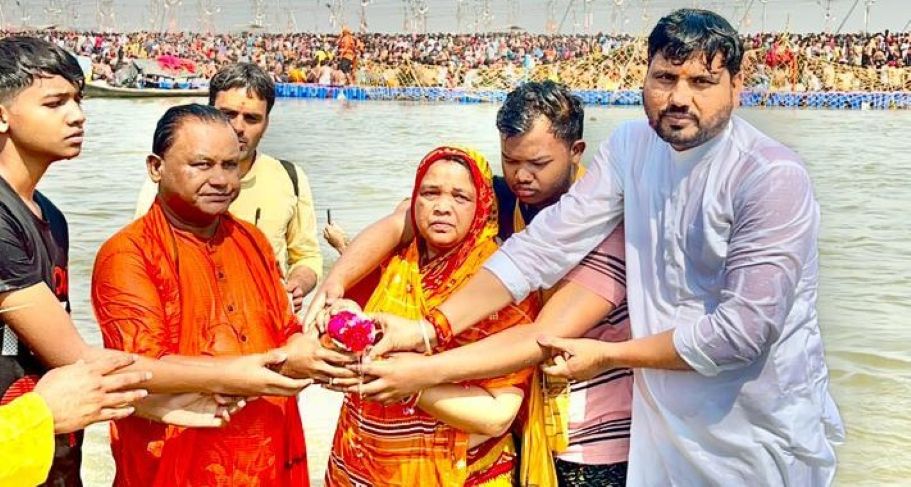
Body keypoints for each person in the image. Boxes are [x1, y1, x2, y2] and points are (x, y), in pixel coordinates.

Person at [348, 9, 845, 486]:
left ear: (737, 86)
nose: (678, 98)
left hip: (753, 431)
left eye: (701, 82)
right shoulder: (633, 148)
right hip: (660, 427)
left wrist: (610, 356)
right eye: (665, 78)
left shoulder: (769, 176)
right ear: (645, 78)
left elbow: (742, 333)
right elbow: (540, 247)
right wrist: (427, 328)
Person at [306, 81, 633, 486]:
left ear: (576, 152)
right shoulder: (501, 199)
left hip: (591, 430)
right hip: (519, 419)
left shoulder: (608, 221)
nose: (521, 176)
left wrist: (420, 370)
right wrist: (334, 283)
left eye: (537, 163)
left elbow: (543, 334)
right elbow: (402, 220)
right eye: (510, 160)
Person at [0, 36, 271, 487]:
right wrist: (237, 373)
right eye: (55, 102)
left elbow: (64, 364)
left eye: (78, 99)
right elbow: (78, 357)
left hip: (49, 446)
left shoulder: (50, 216)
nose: (77, 115)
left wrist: (150, 401)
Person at [94, 104, 355, 486]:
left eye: (230, 166)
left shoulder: (251, 240)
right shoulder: (129, 253)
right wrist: (245, 374)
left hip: (268, 454)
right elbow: (137, 368)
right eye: (202, 165)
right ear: (156, 167)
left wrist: (318, 343)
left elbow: (284, 329)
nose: (221, 180)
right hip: (176, 463)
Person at [321, 146, 538, 486]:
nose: (442, 207)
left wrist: (410, 385)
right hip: (361, 464)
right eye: (430, 192)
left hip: (462, 473)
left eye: (460, 197)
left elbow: (498, 415)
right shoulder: (393, 259)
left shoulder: (500, 283)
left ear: (482, 206)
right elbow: (347, 323)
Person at [135, 63, 322, 313]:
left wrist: (295, 285)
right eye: (227, 115)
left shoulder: (290, 178)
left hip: (269, 321)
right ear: (208, 114)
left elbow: (307, 255)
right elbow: (143, 254)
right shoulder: (171, 179)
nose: (238, 127)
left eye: (252, 118)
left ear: (266, 124)